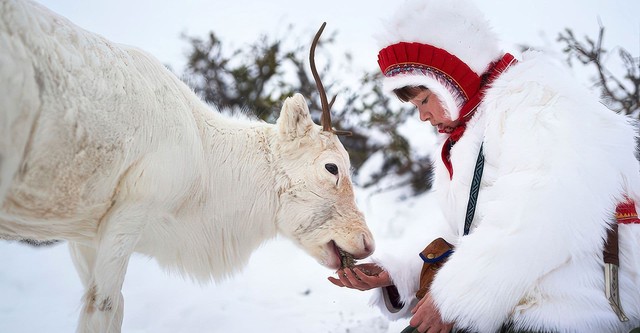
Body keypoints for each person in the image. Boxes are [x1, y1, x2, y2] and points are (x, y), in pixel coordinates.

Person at [328, 0, 640, 332]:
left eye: (423, 99)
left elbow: (537, 220)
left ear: (453, 77)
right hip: (522, 296)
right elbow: (470, 228)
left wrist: (453, 298)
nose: (422, 115)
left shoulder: (538, 102)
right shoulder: (476, 127)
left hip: (570, 306)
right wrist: (401, 272)